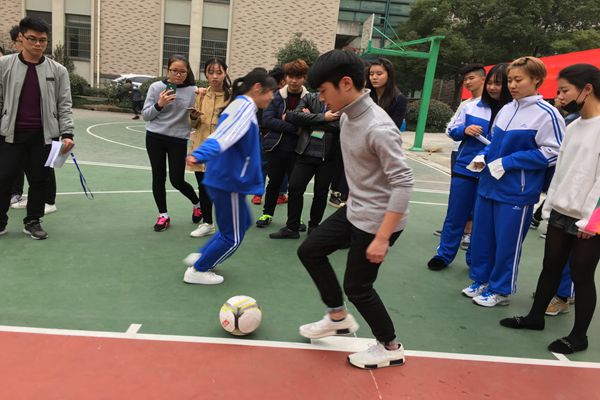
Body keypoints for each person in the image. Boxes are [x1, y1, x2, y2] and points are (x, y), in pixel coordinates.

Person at [297, 50, 414, 369]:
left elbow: (404, 182)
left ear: (346, 84)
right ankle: (337, 317)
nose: (322, 99)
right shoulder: (348, 114)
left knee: (358, 288)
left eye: (324, 91)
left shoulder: (378, 127)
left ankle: (390, 346)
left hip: (379, 220)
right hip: (357, 209)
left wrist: (382, 238)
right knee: (310, 250)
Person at [500, 64, 600, 354]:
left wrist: (592, 221)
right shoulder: (573, 125)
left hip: (589, 219)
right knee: (551, 266)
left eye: (565, 90)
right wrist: (548, 208)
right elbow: (561, 171)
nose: (560, 96)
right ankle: (535, 317)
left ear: (587, 89)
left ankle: (579, 336)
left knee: (581, 275)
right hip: (561, 211)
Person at [463, 56, 564, 307]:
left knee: (507, 244)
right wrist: (483, 157)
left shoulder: (547, 114)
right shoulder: (507, 109)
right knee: (482, 238)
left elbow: (554, 152)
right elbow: (494, 143)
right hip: (489, 185)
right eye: (510, 80)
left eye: (518, 80)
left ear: (537, 80)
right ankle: (481, 280)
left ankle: (500, 290)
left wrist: (509, 162)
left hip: (517, 191)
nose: (512, 85)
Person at [182, 68, 277, 285]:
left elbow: (221, 134)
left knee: (242, 222)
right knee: (233, 237)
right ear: (257, 88)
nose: (272, 97)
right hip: (229, 181)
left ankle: (203, 256)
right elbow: (223, 137)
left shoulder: (240, 105)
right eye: (270, 92)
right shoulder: (244, 107)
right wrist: (199, 154)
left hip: (225, 178)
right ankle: (198, 270)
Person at [427, 63, 512, 271]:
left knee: (482, 221)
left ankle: (474, 260)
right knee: (455, 215)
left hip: (493, 173)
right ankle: (444, 255)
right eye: (491, 83)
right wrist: (464, 130)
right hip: (465, 168)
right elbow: (452, 130)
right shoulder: (470, 106)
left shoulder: (512, 112)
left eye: (498, 83)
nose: (493, 87)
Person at [0, 17, 74, 240]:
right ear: (21, 38)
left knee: (40, 180)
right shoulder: (4, 65)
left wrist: (67, 133)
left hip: (44, 137)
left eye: (43, 40)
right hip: (10, 135)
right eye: (32, 39)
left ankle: (33, 221)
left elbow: (64, 104)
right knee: (4, 177)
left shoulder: (58, 71)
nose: (38, 44)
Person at [268, 90, 341, 239]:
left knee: (321, 193)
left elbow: (339, 125)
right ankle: (292, 227)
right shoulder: (310, 97)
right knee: (294, 188)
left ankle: (314, 227)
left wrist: (309, 120)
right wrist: (324, 117)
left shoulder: (340, 100)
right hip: (304, 152)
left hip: (328, 156)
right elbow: (293, 117)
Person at [142, 54, 201, 232]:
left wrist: (194, 116)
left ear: (187, 73)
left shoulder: (194, 91)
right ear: (168, 70)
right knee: (158, 177)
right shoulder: (156, 87)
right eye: (174, 70)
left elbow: (196, 121)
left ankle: (197, 203)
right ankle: (163, 215)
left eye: (182, 71)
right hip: (155, 137)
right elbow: (146, 115)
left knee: (177, 180)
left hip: (178, 139)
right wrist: (160, 104)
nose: (178, 74)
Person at [433, 64, 486, 248]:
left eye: (471, 78)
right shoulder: (466, 104)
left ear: (483, 79)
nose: (467, 82)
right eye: (465, 79)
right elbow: (450, 128)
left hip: (480, 157)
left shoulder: (494, 106)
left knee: (476, 194)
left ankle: (469, 232)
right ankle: (454, 229)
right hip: (459, 154)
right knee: (458, 194)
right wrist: (464, 130)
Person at [256, 59, 309, 228]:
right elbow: (268, 120)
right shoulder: (276, 96)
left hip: (300, 149)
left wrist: (290, 120)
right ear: (285, 77)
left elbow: (313, 120)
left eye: (298, 77)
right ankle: (267, 213)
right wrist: (295, 128)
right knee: (274, 182)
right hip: (277, 147)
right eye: (290, 76)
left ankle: (295, 219)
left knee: (296, 187)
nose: (294, 81)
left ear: (304, 78)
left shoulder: (310, 98)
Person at [188, 58, 232, 238]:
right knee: (204, 187)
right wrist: (193, 117)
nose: (215, 76)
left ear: (225, 73)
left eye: (219, 72)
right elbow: (193, 125)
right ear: (205, 74)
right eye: (211, 72)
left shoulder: (232, 97)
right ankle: (208, 223)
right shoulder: (200, 95)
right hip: (201, 147)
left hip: (223, 150)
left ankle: (228, 223)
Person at [366, 57, 407, 131]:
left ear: (389, 75)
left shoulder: (399, 99)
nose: (374, 77)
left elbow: (394, 128)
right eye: (371, 74)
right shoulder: (365, 95)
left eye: (379, 74)